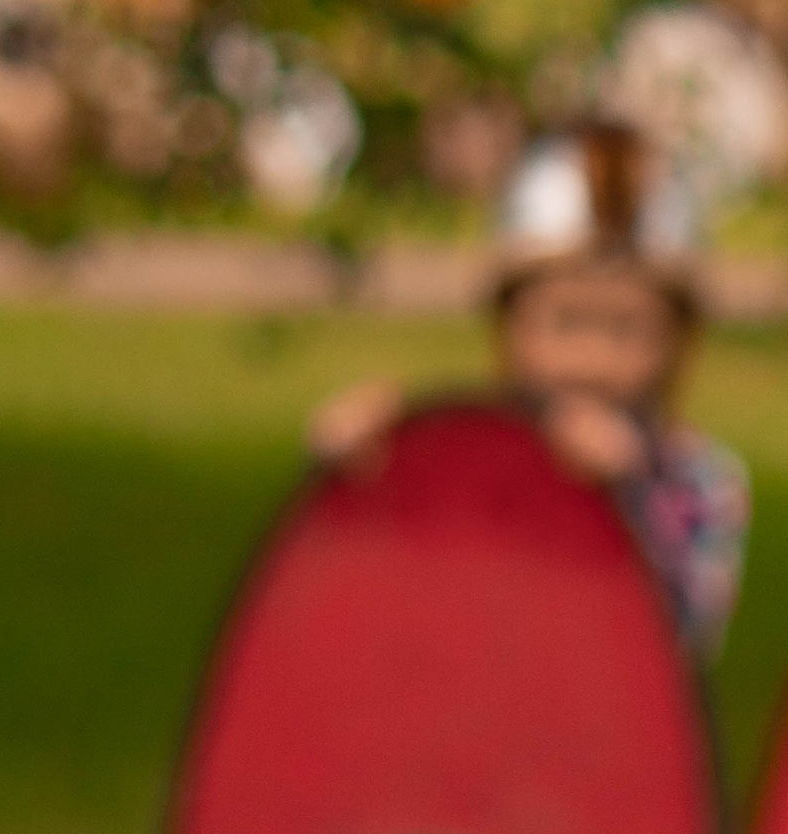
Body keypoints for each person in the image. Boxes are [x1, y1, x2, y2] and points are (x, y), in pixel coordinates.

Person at [308, 124, 748, 665]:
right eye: (566, 323)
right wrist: (372, 471)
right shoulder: (471, 463)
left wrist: (624, 500)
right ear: (510, 326)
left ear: (675, 340)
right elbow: (388, 610)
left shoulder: (700, 481)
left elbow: (679, 650)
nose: (593, 358)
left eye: (627, 330)